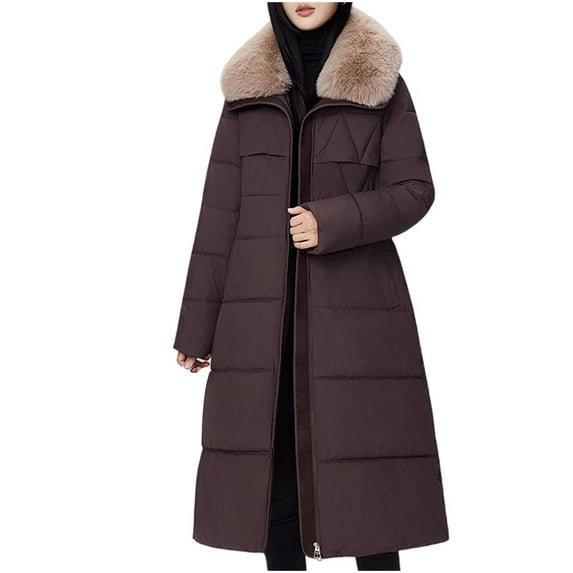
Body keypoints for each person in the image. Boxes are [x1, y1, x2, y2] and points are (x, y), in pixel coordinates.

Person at [174, 2, 449, 570]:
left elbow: (415, 188)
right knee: (274, 482)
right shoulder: (245, 96)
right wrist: (197, 327)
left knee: (367, 486)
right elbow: (219, 216)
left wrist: (333, 221)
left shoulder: (381, 85)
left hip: (355, 323)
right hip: (261, 328)